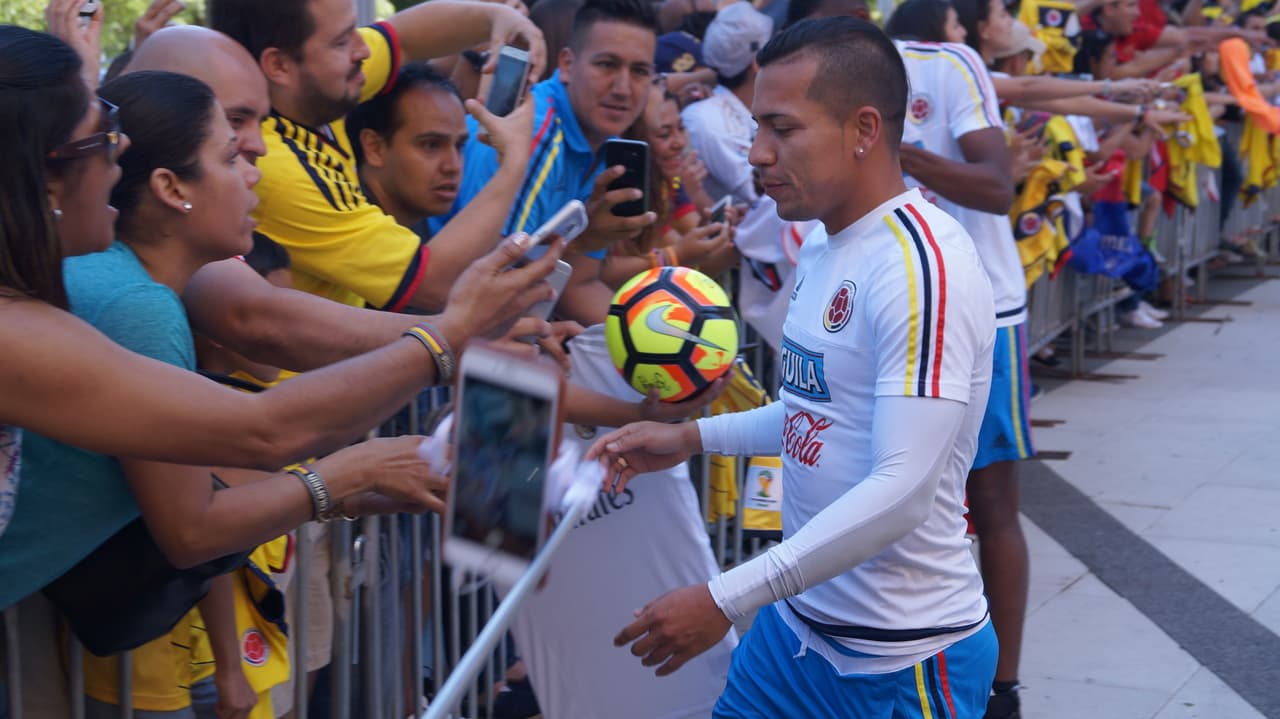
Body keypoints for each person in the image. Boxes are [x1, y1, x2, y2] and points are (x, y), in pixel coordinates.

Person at [590, 17, 1000, 717]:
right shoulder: (822, 242)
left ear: (863, 129)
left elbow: (903, 490)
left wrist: (726, 597)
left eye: (783, 128)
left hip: (902, 660)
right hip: (793, 635)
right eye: (757, 126)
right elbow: (821, 410)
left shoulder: (923, 269)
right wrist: (692, 437)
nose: (758, 153)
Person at [209, 0, 546, 312]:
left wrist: (497, 18)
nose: (364, 49)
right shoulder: (277, 169)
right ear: (279, 65)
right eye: (342, 41)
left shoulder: (314, 88)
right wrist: (514, 162)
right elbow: (432, 285)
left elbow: (403, 38)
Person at [436, 0, 663, 327]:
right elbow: (487, 288)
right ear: (567, 64)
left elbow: (579, 284)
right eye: (607, 65)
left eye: (640, 71)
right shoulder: (538, 134)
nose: (623, 88)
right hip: (426, 316)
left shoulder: (605, 142)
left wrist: (663, 338)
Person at [681, 2, 774, 206]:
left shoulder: (760, 111)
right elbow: (766, 194)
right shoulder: (706, 118)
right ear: (757, 63)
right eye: (775, 50)